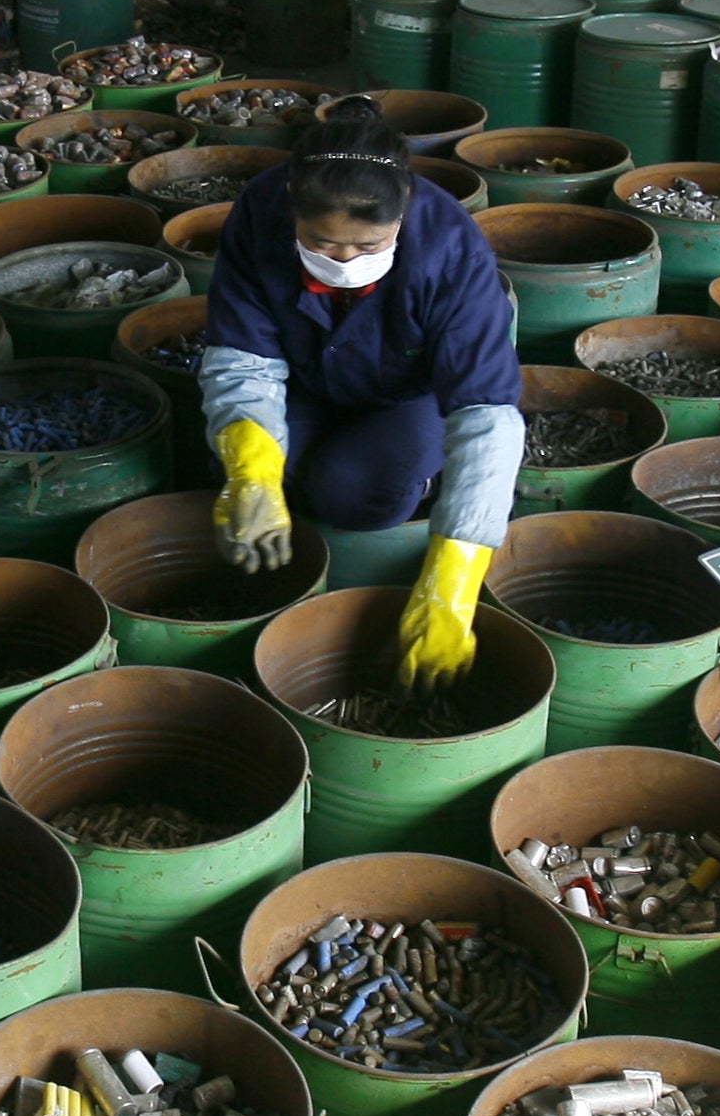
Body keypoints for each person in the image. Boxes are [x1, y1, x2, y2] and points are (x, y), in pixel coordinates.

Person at [201, 96, 525, 690]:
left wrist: (454, 581)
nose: (345, 258)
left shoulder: (450, 246)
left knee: (355, 494)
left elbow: (487, 413)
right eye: (323, 244)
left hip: (407, 394)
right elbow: (243, 360)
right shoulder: (261, 212)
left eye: (369, 247)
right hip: (304, 377)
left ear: (401, 215)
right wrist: (252, 471)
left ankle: (424, 480)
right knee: (255, 474)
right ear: (293, 207)